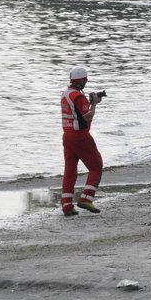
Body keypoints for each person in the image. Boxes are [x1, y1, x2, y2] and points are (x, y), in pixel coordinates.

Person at [59, 65, 106, 216]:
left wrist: (91, 102)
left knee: (70, 170)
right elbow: (87, 116)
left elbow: (77, 113)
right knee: (96, 165)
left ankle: (66, 205)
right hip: (81, 136)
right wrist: (95, 104)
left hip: (67, 136)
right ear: (82, 80)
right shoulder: (78, 96)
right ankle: (86, 197)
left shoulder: (66, 94)